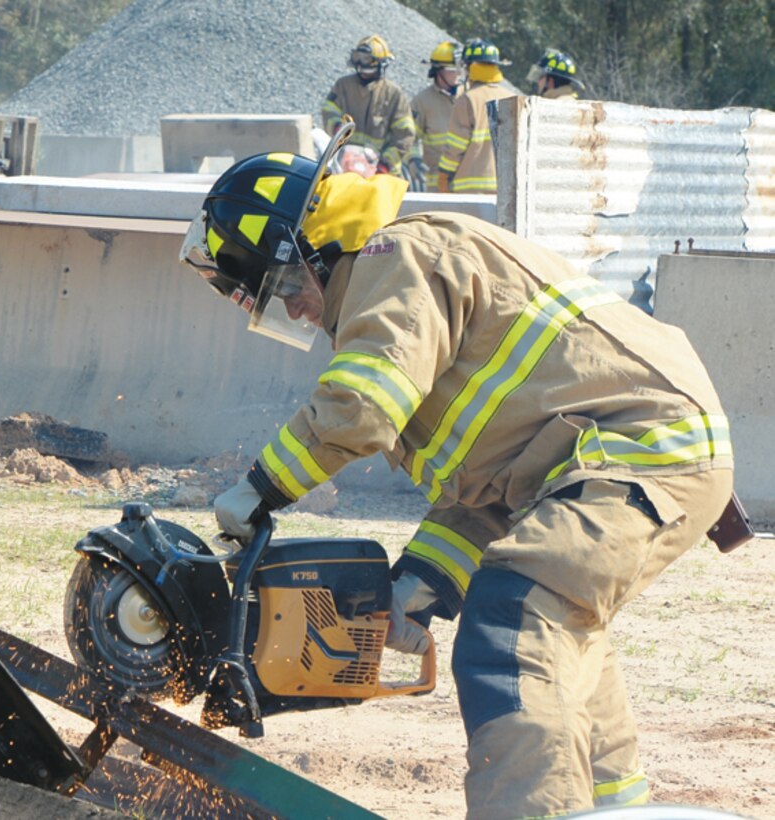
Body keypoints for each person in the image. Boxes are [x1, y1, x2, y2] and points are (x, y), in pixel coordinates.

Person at [180, 123, 734, 819]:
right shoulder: (406, 281)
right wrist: (420, 583)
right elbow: (486, 488)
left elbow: (361, 408)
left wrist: (258, 489)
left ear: (310, 246)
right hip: (620, 457)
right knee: (558, 638)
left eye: (283, 283)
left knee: (514, 624)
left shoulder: (392, 256)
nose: (291, 306)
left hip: (635, 449)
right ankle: (614, 809)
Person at [321, 34, 415, 177]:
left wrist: (385, 163)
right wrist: (336, 127)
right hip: (346, 167)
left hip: (382, 173)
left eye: (369, 70)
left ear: (382, 66)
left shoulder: (394, 94)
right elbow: (328, 111)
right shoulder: (343, 86)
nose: (364, 74)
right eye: (360, 69)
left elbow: (404, 135)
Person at [437, 39, 516, 194]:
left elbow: (455, 146)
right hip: (506, 189)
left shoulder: (468, 100)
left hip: (471, 190)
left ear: (471, 68)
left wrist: (444, 175)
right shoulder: (513, 99)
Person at [408, 40, 463, 191]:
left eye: (461, 68)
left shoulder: (468, 97)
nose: (459, 73)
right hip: (436, 184)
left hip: (465, 182)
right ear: (439, 72)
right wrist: (414, 159)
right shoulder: (422, 101)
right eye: (454, 69)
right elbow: (410, 136)